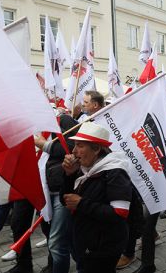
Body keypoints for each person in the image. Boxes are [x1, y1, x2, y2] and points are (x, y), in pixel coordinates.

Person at [61, 122, 133, 273]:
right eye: (74, 145)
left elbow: (120, 213)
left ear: (96, 149)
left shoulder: (115, 172)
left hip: (103, 246)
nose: (74, 151)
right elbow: (66, 201)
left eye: (80, 146)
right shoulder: (84, 169)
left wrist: (81, 204)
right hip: (85, 240)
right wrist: (69, 175)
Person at [34, 113, 78, 273]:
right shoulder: (36, 130)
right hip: (45, 189)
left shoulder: (63, 120)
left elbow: (74, 147)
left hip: (62, 190)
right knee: (64, 237)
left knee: (56, 241)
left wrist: (44, 145)